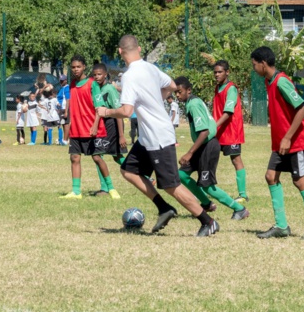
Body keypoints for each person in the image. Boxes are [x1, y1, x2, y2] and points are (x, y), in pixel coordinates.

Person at [97, 35, 218, 236]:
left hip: (157, 137)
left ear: (120, 51)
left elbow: (126, 111)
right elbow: (171, 86)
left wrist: (106, 112)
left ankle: (208, 221)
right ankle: (164, 208)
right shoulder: (151, 68)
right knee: (128, 170)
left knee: (171, 186)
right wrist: (154, 98)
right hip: (147, 138)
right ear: (140, 48)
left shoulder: (128, 76)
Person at [251, 46, 304, 239]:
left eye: (254, 65)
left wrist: (287, 137)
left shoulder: (281, 81)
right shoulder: (270, 81)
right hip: (281, 144)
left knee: (299, 181)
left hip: (296, 143)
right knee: (270, 176)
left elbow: (301, 109)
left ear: (263, 63)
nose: (254, 69)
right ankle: (281, 226)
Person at [174, 76, 249, 220]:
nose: (177, 95)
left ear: (188, 90)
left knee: (208, 186)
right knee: (182, 174)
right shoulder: (192, 102)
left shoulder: (193, 104)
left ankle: (239, 208)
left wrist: (190, 152)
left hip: (208, 146)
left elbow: (204, 132)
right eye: (175, 92)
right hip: (202, 145)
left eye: (179, 91)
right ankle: (206, 204)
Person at [61, 55, 116, 200]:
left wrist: (95, 125)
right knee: (74, 158)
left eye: (78, 66)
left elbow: (100, 107)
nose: (75, 69)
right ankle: (76, 191)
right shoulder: (72, 84)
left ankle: (111, 188)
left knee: (97, 158)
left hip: (91, 128)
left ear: (84, 67)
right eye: (73, 67)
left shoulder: (93, 84)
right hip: (77, 129)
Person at [212, 60, 248, 203]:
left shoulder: (231, 89)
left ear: (227, 72)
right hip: (218, 131)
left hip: (231, 131)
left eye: (220, 72)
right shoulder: (217, 88)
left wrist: (213, 126)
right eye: (215, 72)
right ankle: (207, 187)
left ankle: (243, 194)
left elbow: (228, 112)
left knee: (236, 159)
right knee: (209, 157)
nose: (217, 74)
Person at [92, 63, 124, 198]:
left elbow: (118, 112)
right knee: (116, 156)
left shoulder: (110, 89)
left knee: (98, 154)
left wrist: (121, 135)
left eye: (99, 74)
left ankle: (105, 188)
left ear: (105, 75)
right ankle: (146, 176)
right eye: (94, 75)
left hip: (111, 124)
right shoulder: (96, 89)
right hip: (102, 124)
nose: (97, 77)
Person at [57, 74, 71, 145]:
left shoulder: (66, 88)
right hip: (61, 109)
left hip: (65, 108)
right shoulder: (62, 88)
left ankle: (65, 140)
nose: (61, 82)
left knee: (66, 124)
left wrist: (66, 111)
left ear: (65, 80)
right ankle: (65, 139)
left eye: (62, 81)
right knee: (63, 124)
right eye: (60, 81)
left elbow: (68, 99)